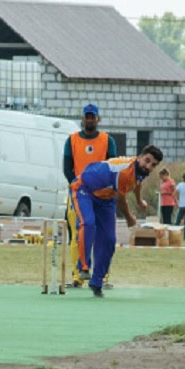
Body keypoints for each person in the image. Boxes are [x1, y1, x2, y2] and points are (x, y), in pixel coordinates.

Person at [71, 145, 163, 298]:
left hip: (106, 198)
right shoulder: (126, 172)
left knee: (108, 240)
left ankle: (96, 282)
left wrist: (139, 200)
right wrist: (130, 219)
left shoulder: (140, 171)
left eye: (153, 165)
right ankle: (83, 267)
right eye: (147, 161)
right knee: (88, 223)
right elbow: (121, 200)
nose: (148, 166)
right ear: (139, 157)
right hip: (84, 189)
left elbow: (137, 183)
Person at [62, 103, 117, 286]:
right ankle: (78, 277)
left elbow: (113, 166)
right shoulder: (72, 140)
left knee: (103, 236)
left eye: (93, 117)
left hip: (102, 194)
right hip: (80, 193)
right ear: (83, 118)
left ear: (98, 119)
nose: (90, 119)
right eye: (87, 116)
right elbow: (67, 169)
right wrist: (78, 185)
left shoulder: (107, 140)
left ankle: (102, 277)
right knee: (79, 233)